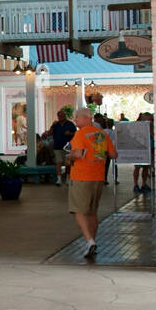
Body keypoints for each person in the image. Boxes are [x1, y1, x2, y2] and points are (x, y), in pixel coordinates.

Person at [67, 106, 116, 260]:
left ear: (87, 118)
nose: (75, 121)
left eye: (77, 118)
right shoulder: (102, 134)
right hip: (98, 177)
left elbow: (78, 154)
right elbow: (113, 154)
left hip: (82, 176)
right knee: (92, 211)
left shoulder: (80, 134)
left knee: (78, 210)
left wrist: (69, 157)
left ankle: (89, 240)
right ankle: (92, 242)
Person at [41, 109, 77, 185]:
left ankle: (67, 178)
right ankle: (59, 179)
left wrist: (70, 133)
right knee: (58, 162)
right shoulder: (56, 125)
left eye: (62, 115)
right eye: (59, 116)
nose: (60, 117)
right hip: (57, 146)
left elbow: (76, 134)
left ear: (65, 116)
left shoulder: (70, 124)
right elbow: (49, 134)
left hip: (68, 146)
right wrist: (52, 125)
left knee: (68, 163)